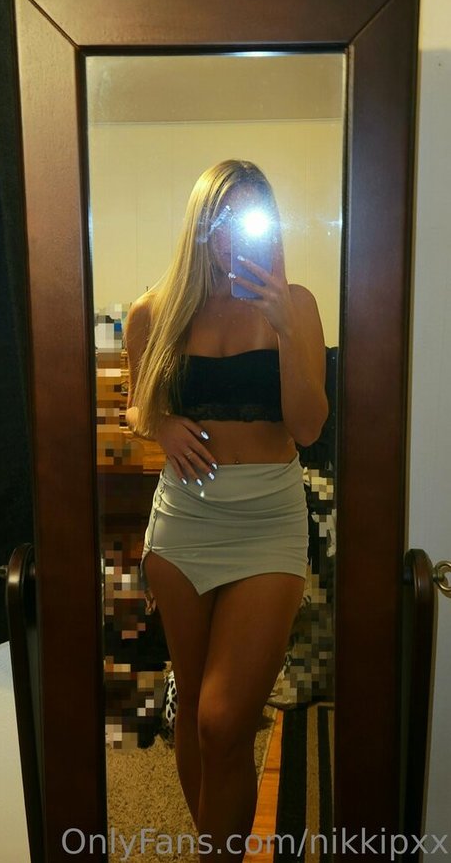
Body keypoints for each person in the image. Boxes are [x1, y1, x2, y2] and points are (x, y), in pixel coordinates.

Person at [125, 159, 328, 860]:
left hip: (268, 524)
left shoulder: (295, 304)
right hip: (183, 525)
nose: (234, 233)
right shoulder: (154, 311)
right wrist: (161, 425)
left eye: (250, 217)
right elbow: (137, 404)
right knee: (194, 709)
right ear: (200, 225)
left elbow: (308, 427)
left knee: (221, 720)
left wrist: (284, 328)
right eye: (222, 217)